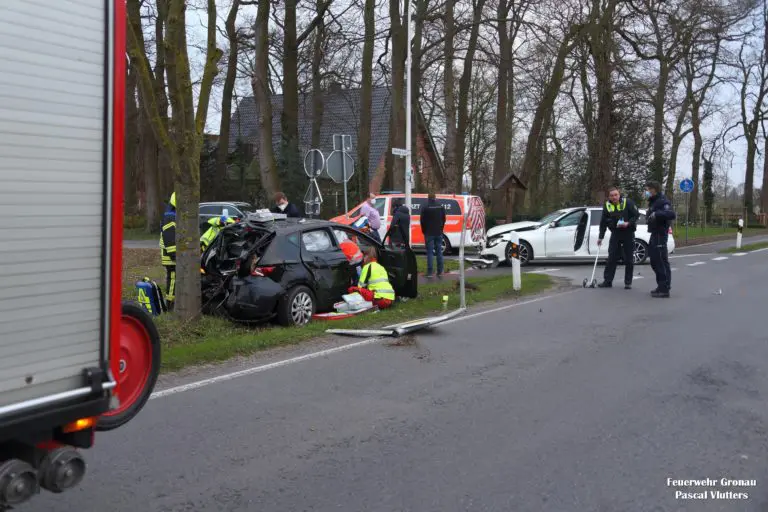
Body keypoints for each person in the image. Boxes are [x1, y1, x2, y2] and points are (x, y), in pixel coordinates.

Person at [597, 186, 639, 289]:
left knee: (629, 258)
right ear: (609, 197)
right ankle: (608, 281)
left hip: (628, 232)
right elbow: (603, 222)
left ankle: (628, 282)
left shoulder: (627, 202)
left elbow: (636, 215)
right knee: (611, 257)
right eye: (612, 195)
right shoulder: (607, 206)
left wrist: (628, 223)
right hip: (615, 233)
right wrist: (600, 237)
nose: (614, 197)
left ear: (619, 195)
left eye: (616, 195)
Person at [645, 180, 676, 298]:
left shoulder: (662, 201)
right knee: (654, 260)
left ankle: (664, 288)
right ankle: (661, 285)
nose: (646, 192)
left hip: (660, 234)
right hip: (654, 233)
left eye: (648, 189)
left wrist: (657, 214)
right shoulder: (653, 201)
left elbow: (671, 214)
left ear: (654, 189)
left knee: (660, 261)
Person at [420, 193, 447, 278]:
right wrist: (441, 228)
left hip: (429, 232)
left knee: (430, 253)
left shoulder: (425, 207)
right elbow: (444, 219)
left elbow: (422, 220)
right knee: (439, 252)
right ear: (435, 198)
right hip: (438, 232)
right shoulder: (440, 206)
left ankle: (430, 272)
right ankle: (440, 271)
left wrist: (424, 230)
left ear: (428, 198)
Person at [159, 192, 176, 310]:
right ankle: (169, 305)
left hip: (170, 256)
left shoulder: (170, 214)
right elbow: (170, 241)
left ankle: (171, 303)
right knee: (173, 281)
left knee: (172, 280)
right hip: (170, 257)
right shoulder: (170, 217)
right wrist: (176, 256)